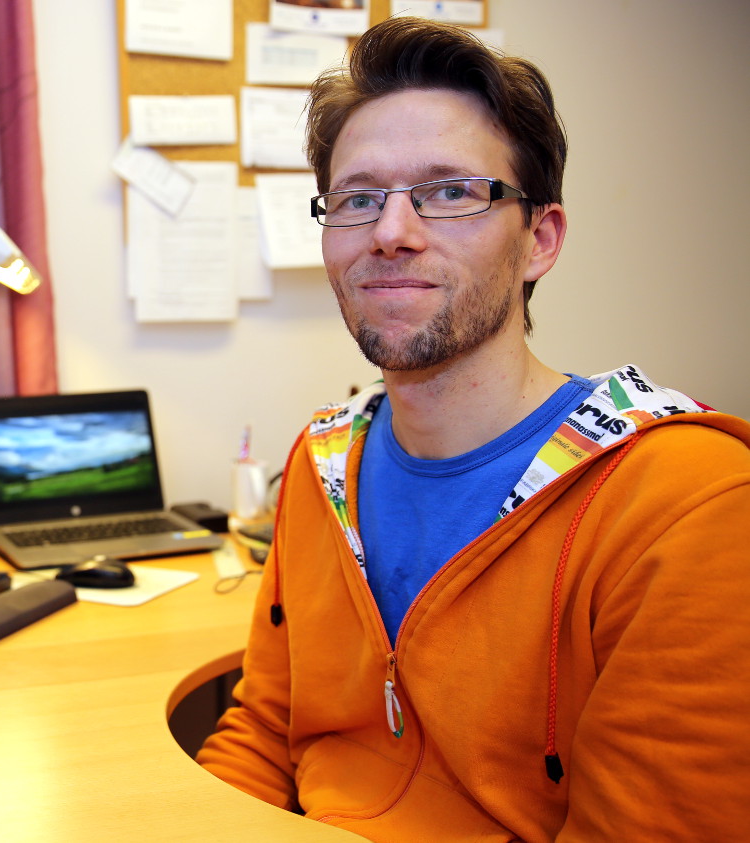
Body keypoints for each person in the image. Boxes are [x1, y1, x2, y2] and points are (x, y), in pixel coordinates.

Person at [195, 16, 750, 841]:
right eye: (358, 199)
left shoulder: (687, 504)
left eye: (451, 192)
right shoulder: (324, 464)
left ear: (540, 240)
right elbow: (265, 731)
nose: (391, 232)